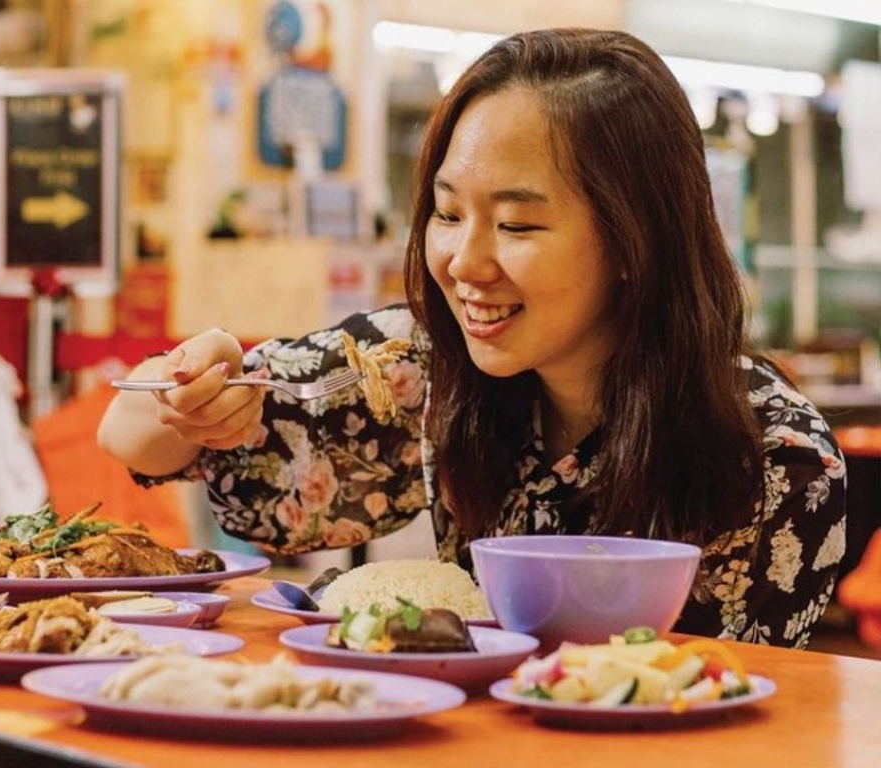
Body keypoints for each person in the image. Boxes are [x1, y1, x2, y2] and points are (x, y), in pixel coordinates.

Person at [98, 28, 846, 648]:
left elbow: (724, 709)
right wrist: (185, 397)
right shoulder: (417, 365)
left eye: (517, 224)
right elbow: (132, 435)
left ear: (634, 241)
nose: (463, 262)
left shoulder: (773, 456)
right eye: (448, 213)